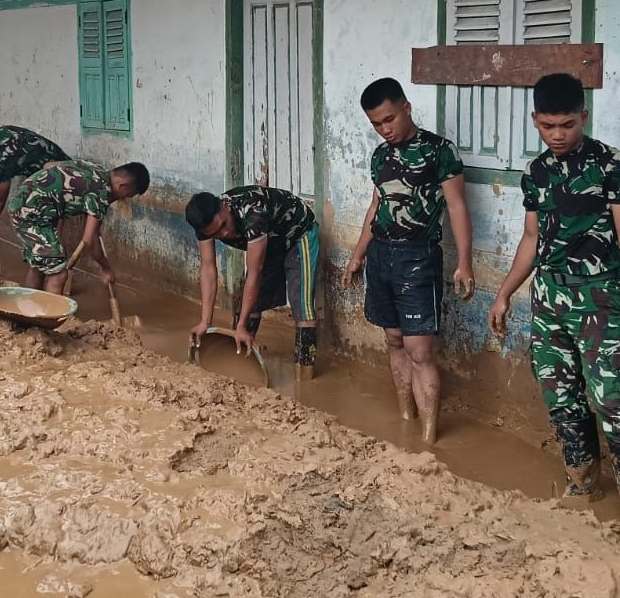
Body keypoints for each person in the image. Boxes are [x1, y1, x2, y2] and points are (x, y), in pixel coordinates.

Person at [489, 72, 620, 541]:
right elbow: (530, 239)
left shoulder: (612, 166)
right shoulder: (536, 173)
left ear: (583, 117)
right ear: (535, 121)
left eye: (566, 124)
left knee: (614, 401)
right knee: (560, 395)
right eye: (547, 126)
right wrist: (505, 293)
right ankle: (583, 487)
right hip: (548, 299)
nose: (557, 135)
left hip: (601, 297)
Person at [341, 77, 472, 445]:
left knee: (420, 350)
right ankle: (404, 418)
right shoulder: (380, 155)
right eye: (376, 124)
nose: (385, 130)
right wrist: (357, 256)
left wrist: (465, 262)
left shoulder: (439, 151)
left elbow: (458, 206)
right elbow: (376, 205)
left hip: (418, 256)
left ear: (406, 108)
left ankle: (429, 437)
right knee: (394, 340)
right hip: (381, 254)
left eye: (389, 119)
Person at [186, 186, 320, 381]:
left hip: (298, 235)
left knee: (303, 309)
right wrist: (205, 321)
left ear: (225, 207)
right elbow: (208, 268)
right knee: (252, 305)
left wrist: (241, 325)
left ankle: (305, 378)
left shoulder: (254, 212)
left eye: (224, 225)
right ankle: (237, 361)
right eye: (216, 233)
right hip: (268, 243)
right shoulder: (204, 225)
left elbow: (254, 274)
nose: (224, 234)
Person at [8, 160, 150, 295]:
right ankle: (49, 317)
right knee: (59, 273)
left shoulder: (96, 171)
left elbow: (49, 165)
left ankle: (29, 309)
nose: (123, 198)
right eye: (128, 195)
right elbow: (89, 240)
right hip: (32, 215)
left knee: (40, 265)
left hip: (24, 203)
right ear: (122, 186)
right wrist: (106, 269)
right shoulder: (102, 191)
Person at [0, 126, 68, 234]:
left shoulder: (3, 162)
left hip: (61, 177)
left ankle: (49, 244)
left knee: (25, 210)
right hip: (58, 161)